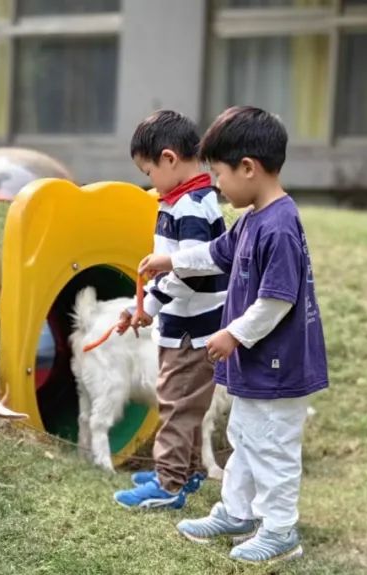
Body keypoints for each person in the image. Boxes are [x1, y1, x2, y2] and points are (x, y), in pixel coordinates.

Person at [140, 107, 328, 563]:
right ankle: (237, 511)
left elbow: (276, 301)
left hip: (280, 367)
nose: (216, 184)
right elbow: (215, 254)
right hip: (256, 364)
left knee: (273, 448)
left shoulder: (279, 226)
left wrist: (232, 335)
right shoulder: (251, 219)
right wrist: (169, 261)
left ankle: (281, 530)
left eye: (220, 174)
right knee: (245, 437)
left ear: (248, 168)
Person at [111, 110, 227, 511]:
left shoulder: (191, 207)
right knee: (188, 403)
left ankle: (169, 482)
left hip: (192, 328)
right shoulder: (189, 198)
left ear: (169, 159)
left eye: (148, 171)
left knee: (176, 402)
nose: (150, 181)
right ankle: (187, 469)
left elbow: (191, 270)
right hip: (189, 322)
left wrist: (152, 305)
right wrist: (140, 306)